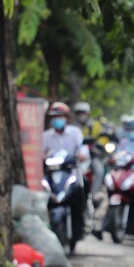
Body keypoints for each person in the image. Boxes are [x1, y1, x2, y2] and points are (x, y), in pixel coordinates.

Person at [43, 101, 89, 245]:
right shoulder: (46, 136)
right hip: (52, 174)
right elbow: (40, 153)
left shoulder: (75, 133)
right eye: (54, 116)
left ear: (66, 118)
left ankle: (83, 214)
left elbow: (83, 150)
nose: (57, 119)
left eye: (60, 116)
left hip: (70, 172)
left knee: (84, 185)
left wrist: (81, 155)